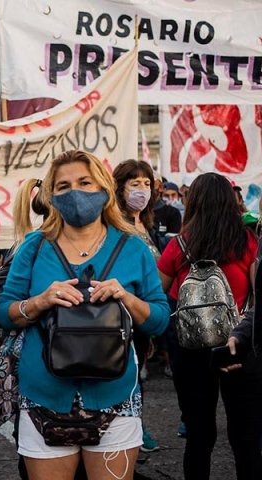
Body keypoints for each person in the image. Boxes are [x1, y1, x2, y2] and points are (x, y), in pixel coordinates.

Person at [0, 150, 169, 480]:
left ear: (104, 188)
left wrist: (126, 297)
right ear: (51, 195)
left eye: (84, 182)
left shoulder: (133, 248)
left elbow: (160, 319)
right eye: (63, 186)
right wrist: (41, 301)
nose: (74, 191)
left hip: (115, 398)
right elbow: (5, 312)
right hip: (44, 396)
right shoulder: (33, 247)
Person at [156, 173, 262, 480]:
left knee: (198, 438)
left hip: (189, 349)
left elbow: (159, 296)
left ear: (193, 202)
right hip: (239, 345)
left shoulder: (179, 246)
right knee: (244, 440)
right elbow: (258, 298)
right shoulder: (247, 241)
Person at [112, 160, 162, 454]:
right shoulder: (118, 224)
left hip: (146, 312)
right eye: (135, 184)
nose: (142, 190)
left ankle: (134, 428)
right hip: (125, 314)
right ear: (120, 188)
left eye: (146, 184)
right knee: (127, 375)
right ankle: (130, 433)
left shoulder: (146, 222)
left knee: (137, 373)